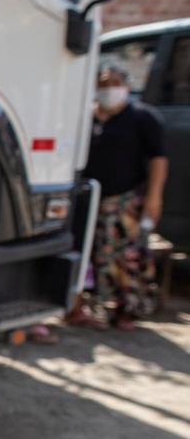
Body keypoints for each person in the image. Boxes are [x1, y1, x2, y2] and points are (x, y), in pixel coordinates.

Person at [68, 66, 168, 331]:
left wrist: (154, 198)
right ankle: (84, 307)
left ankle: (126, 310)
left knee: (127, 256)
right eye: (104, 83)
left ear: (126, 85)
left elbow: (158, 159)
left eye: (114, 82)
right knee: (91, 255)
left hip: (124, 201)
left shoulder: (142, 117)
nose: (109, 88)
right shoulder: (88, 118)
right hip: (90, 200)